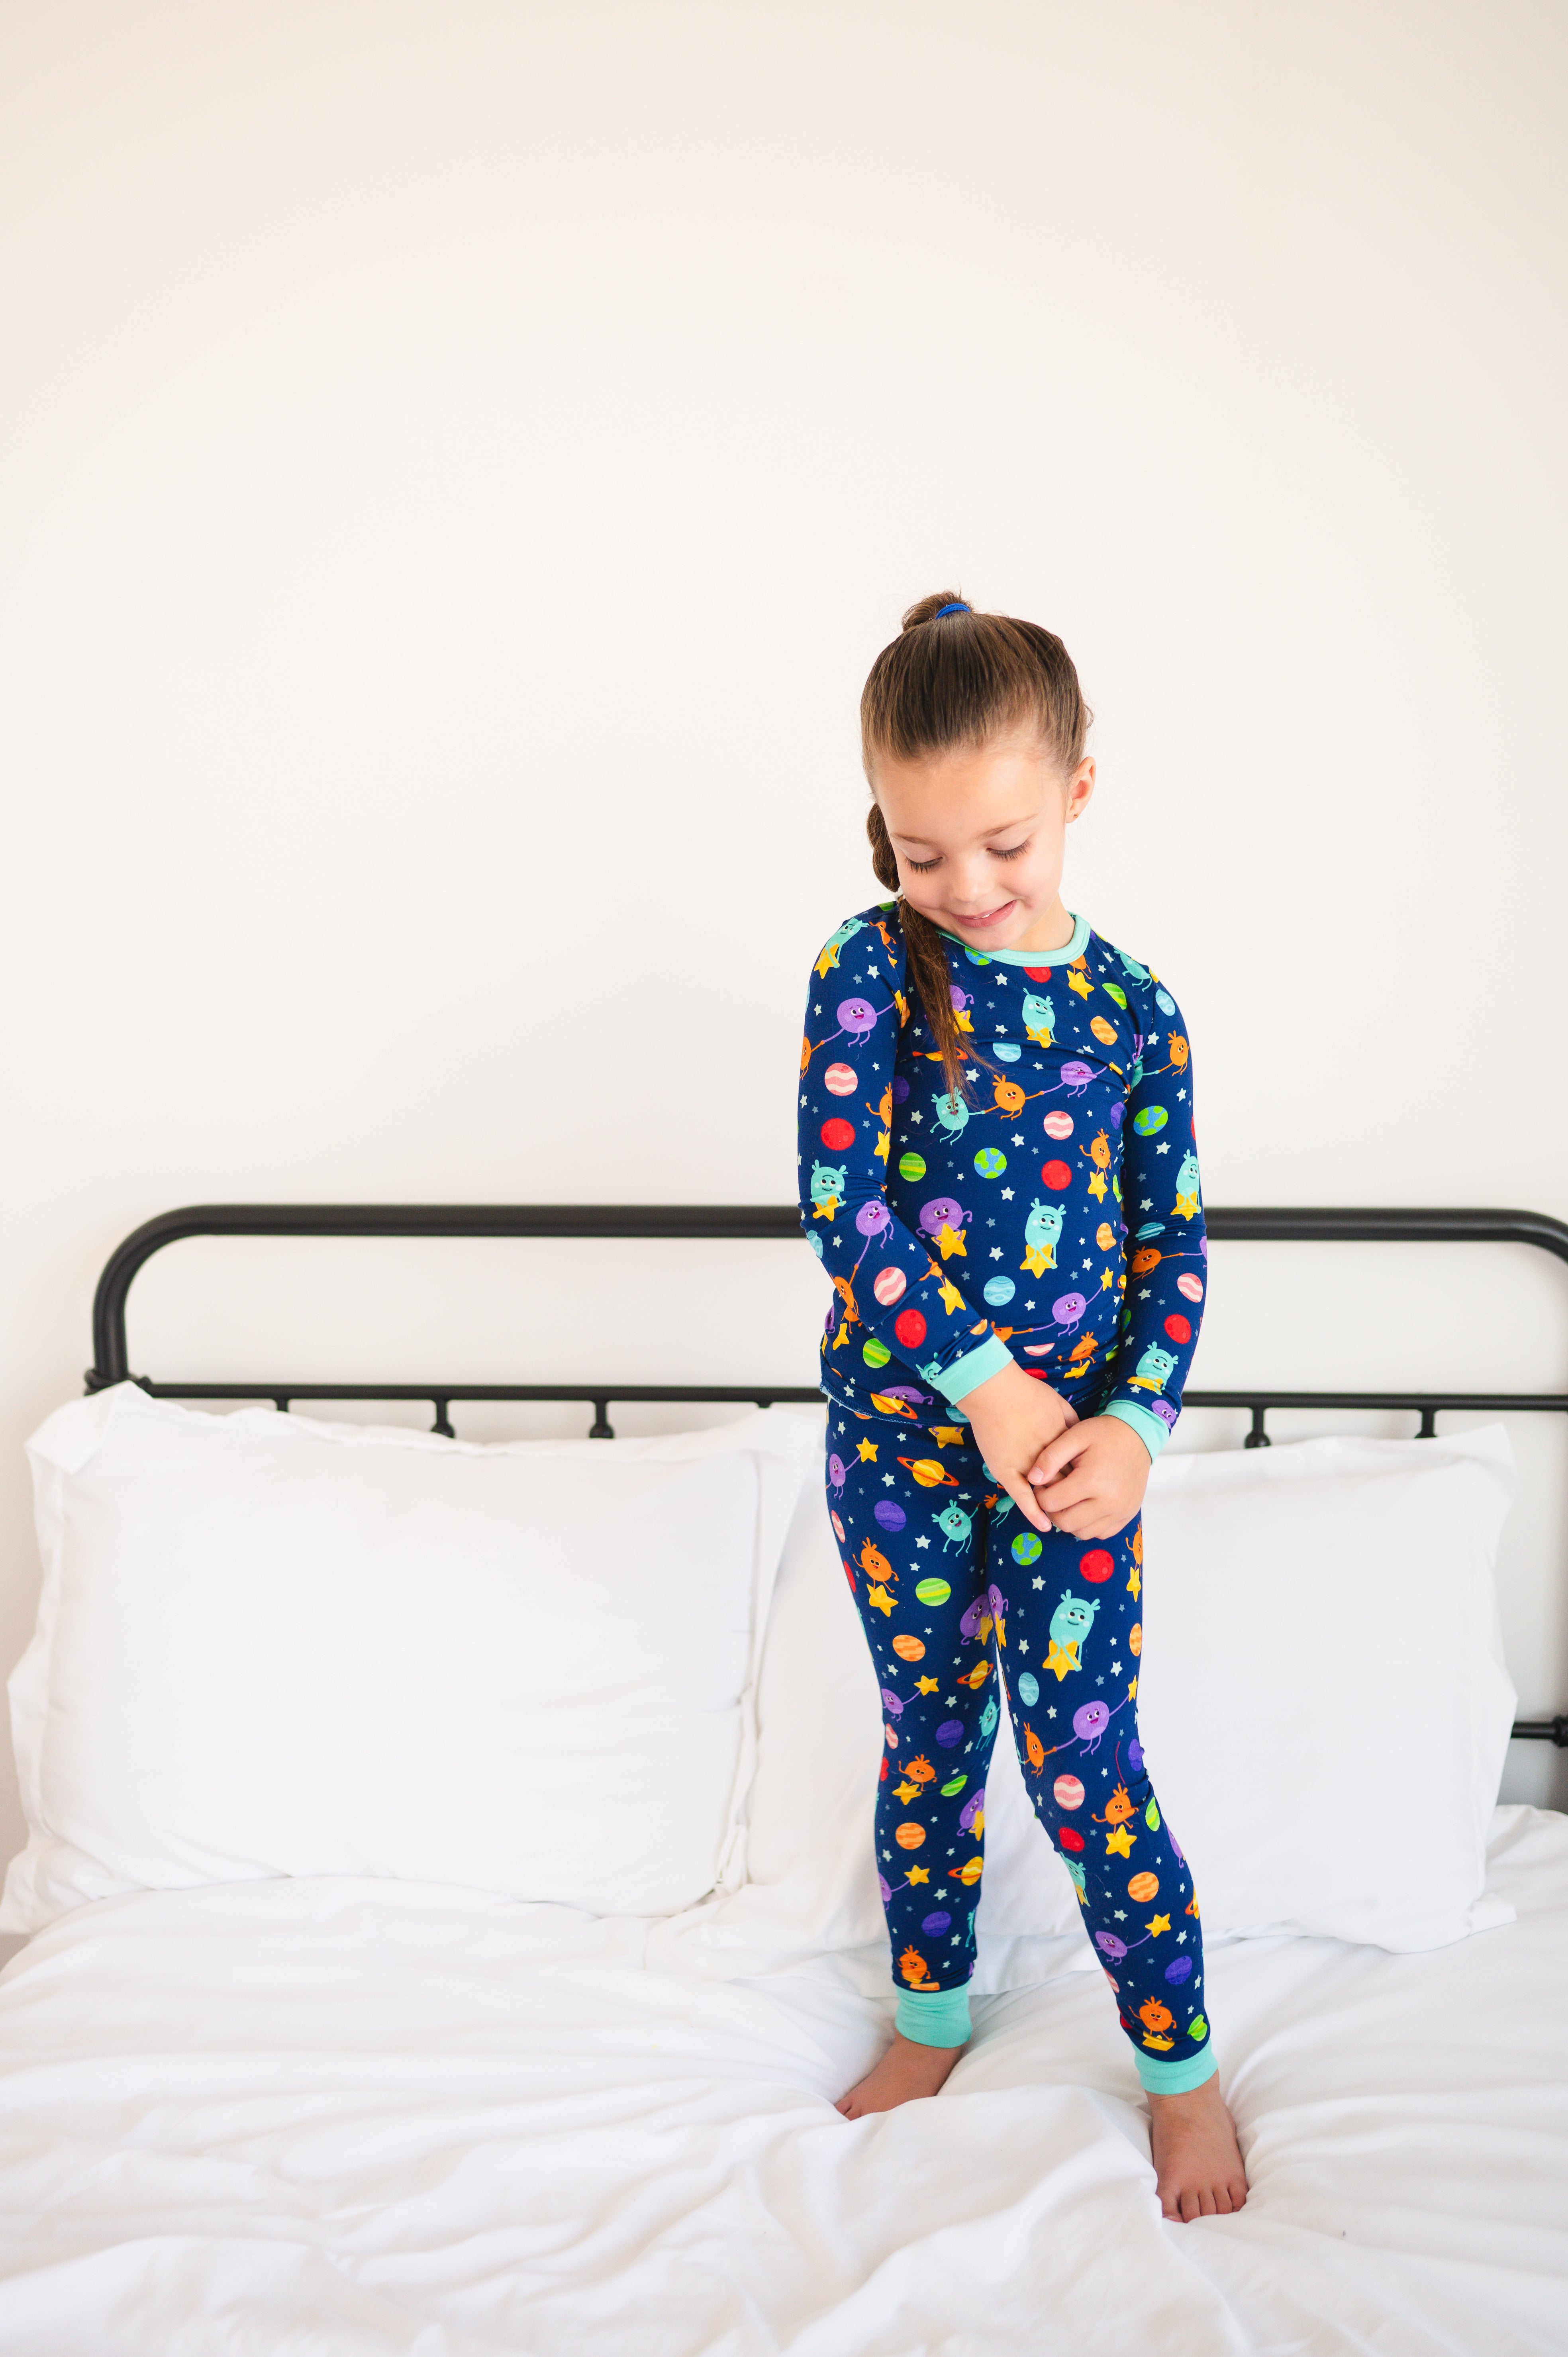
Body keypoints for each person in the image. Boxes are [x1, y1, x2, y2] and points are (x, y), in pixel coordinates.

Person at [797, 592, 1248, 2222]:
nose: (965, 890)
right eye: (922, 855)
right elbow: (847, 1208)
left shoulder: (1136, 1012)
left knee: (1083, 1755)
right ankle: (932, 2016)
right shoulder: (866, 971)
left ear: (1076, 795)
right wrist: (982, 1390)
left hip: (1076, 1475)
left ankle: (1182, 2070)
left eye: (999, 846)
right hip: (906, 1451)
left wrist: (1131, 1427)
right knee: (931, 1738)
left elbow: (1171, 1242)